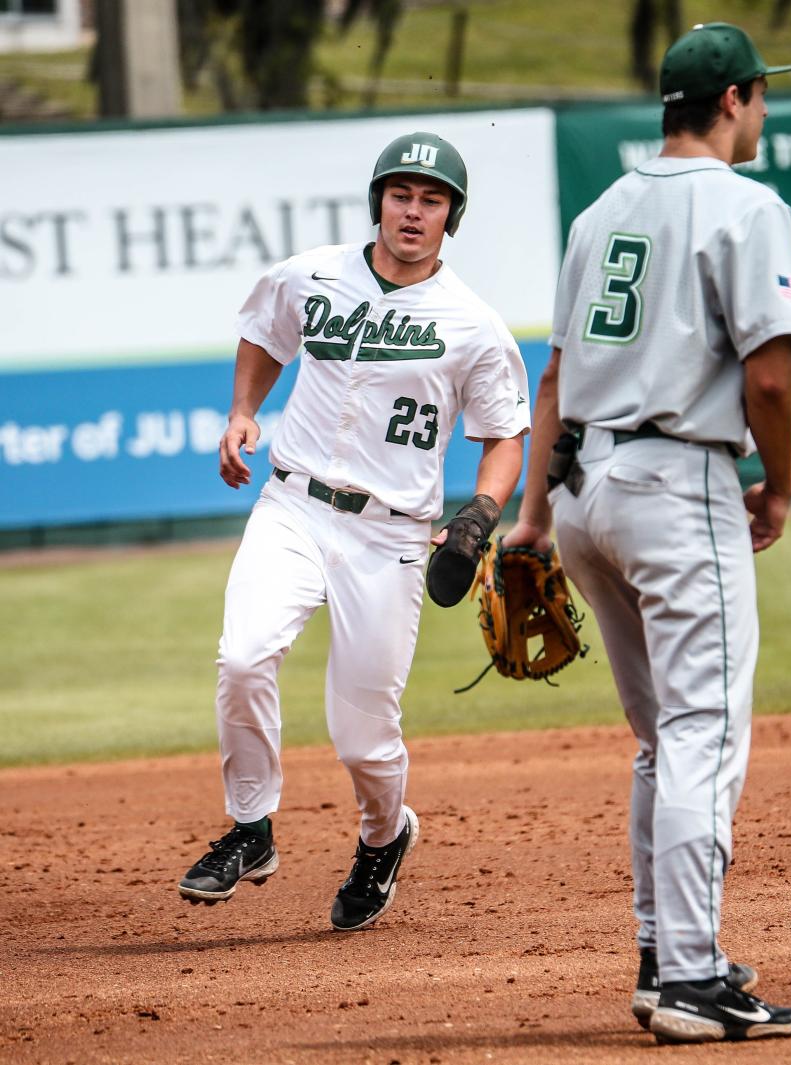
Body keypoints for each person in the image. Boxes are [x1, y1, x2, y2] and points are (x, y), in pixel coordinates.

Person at [504, 23, 791, 1043]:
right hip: (678, 486)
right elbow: (770, 373)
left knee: (659, 738)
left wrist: (535, 517)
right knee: (701, 731)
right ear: (731, 100)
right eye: (759, 96)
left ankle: (661, 954)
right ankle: (690, 977)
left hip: (587, 492)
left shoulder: (604, 210)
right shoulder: (747, 206)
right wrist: (777, 486)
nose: (761, 110)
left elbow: (552, 376)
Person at [178, 131, 529, 932]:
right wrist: (243, 410)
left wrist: (479, 512)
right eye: (401, 193)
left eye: (431, 199)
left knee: (363, 736)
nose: (413, 210)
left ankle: (383, 835)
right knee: (242, 654)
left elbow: (505, 432)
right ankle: (251, 827)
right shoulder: (313, 274)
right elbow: (266, 332)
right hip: (293, 504)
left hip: (392, 537)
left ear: (452, 216)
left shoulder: (471, 323)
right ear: (379, 200)